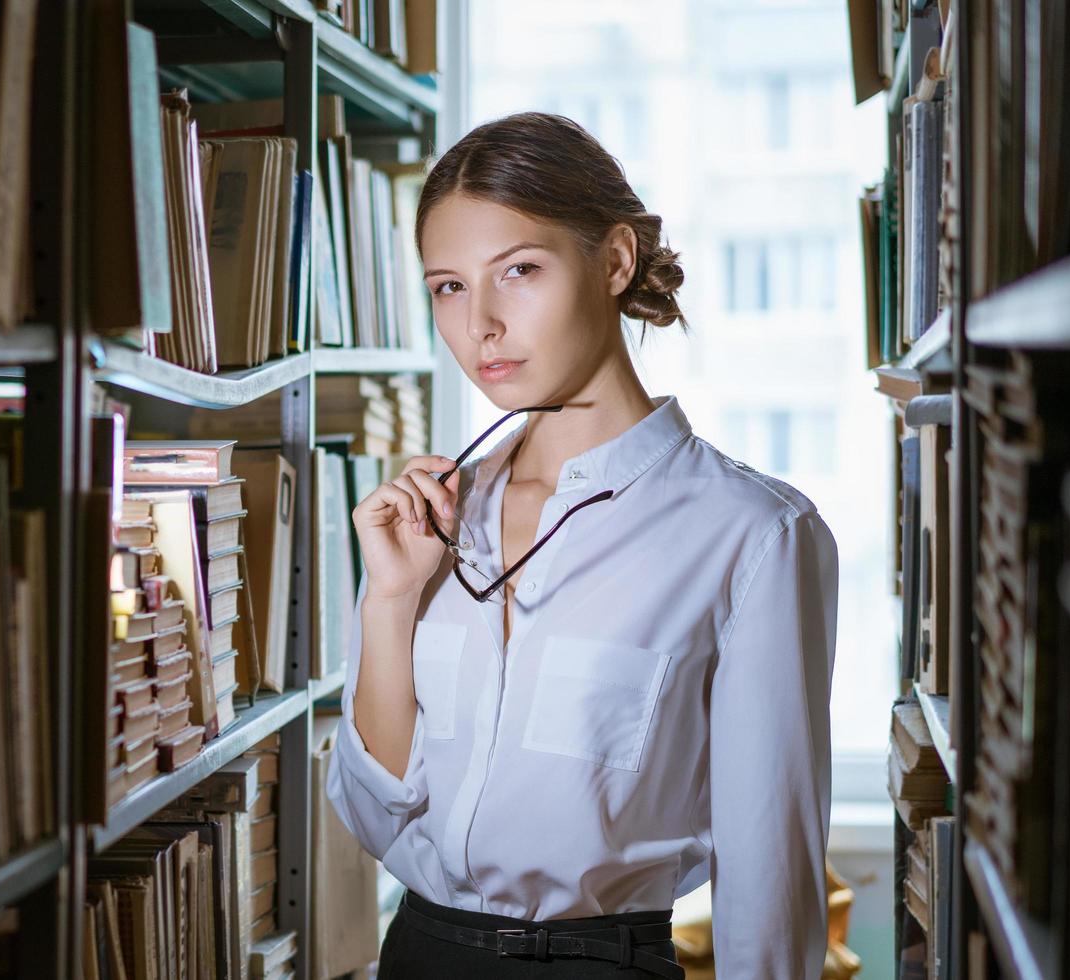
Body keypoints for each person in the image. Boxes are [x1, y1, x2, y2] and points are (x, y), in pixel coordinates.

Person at [324, 111, 839, 979]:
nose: (480, 323)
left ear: (614, 261)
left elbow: (768, 882)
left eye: (518, 271)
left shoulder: (752, 536)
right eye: (447, 286)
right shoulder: (432, 521)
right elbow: (375, 816)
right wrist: (389, 599)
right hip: (415, 956)